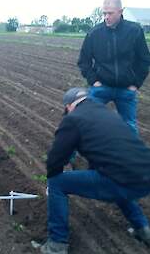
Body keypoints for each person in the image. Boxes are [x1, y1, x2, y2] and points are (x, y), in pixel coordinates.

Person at [41, 87, 150, 254]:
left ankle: (56, 245)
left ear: (69, 106)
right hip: (145, 175)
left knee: (57, 182)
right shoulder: (107, 113)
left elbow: (55, 159)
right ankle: (143, 230)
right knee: (118, 178)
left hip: (120, 178)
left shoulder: (74, 119)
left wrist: (51, 179)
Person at [78, 0, 150, 134]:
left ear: (120, 11)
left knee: (129, 126)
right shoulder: (94, 33)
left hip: (126, 89)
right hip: (101, 88)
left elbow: (144, 59)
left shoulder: (134, 31)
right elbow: (83, 61)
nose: (106, 17)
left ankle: (129, 153)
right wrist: (94, 81)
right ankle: (87, 152)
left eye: (110, 13)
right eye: (104, 13)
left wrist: (135, 84)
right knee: (87, 121)